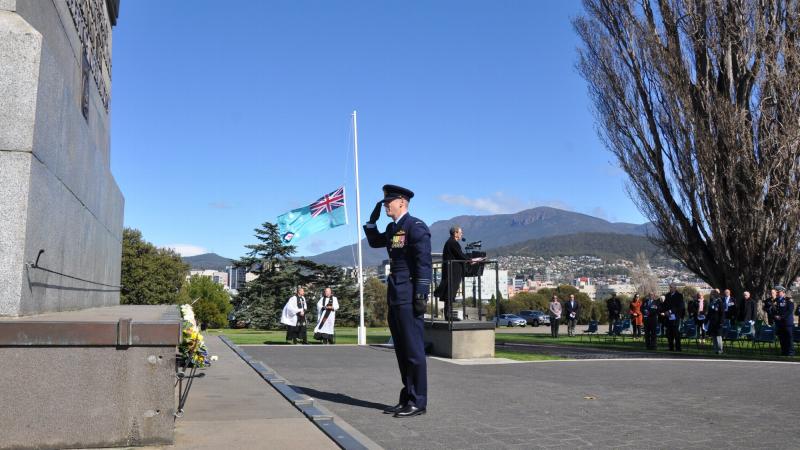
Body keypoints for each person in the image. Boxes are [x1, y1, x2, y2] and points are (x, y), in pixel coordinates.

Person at [364, 184, 431, 418]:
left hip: (410, 294)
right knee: (401, 351)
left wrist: (422, 293)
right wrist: (371, 224)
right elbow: (375, 242)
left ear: (402, 202)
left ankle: (418, 401)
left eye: (388, 202)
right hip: (395, 293)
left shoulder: (415, 227)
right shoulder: (394, 228)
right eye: (384, 202)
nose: (385, 206)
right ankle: (407, 398)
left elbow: (423, 263)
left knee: (413, 351)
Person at [434, 226, 467, 319]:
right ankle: (448, 315)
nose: (461, 234)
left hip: (451, 271)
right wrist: (470, 260)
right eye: (460, 232)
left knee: (450, 293)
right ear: (455, 233)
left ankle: (448, 314)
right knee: (450, 292)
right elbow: (460, 255)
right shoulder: (453, 243)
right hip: (453, 272)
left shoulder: (450, 242)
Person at [660, 284, 685, 351]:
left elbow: (680, 306)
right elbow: (665, 305)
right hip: (668, 317)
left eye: (671, 287)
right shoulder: (667, 295)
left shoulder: (679, 296)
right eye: (670, 287)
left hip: (676, 317)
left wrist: (670, 311)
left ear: (675, 288)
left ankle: (678, 348)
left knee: (676, 333)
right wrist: (664, 312)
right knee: (669, 333)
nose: (670, 289)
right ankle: (671, 347)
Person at [772, 285, 795, 356]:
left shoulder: (788, 300)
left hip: (787, 322)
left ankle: (790, 352)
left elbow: (790, 311)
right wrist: (775, 315)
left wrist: (781, 317)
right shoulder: (776, 301)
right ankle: (784, 351)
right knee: (781, 338)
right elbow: (774, 310)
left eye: (778, 292)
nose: (777, 293)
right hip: (779, 323)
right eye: (777, 292)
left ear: (783, 292)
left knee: (788, 337)